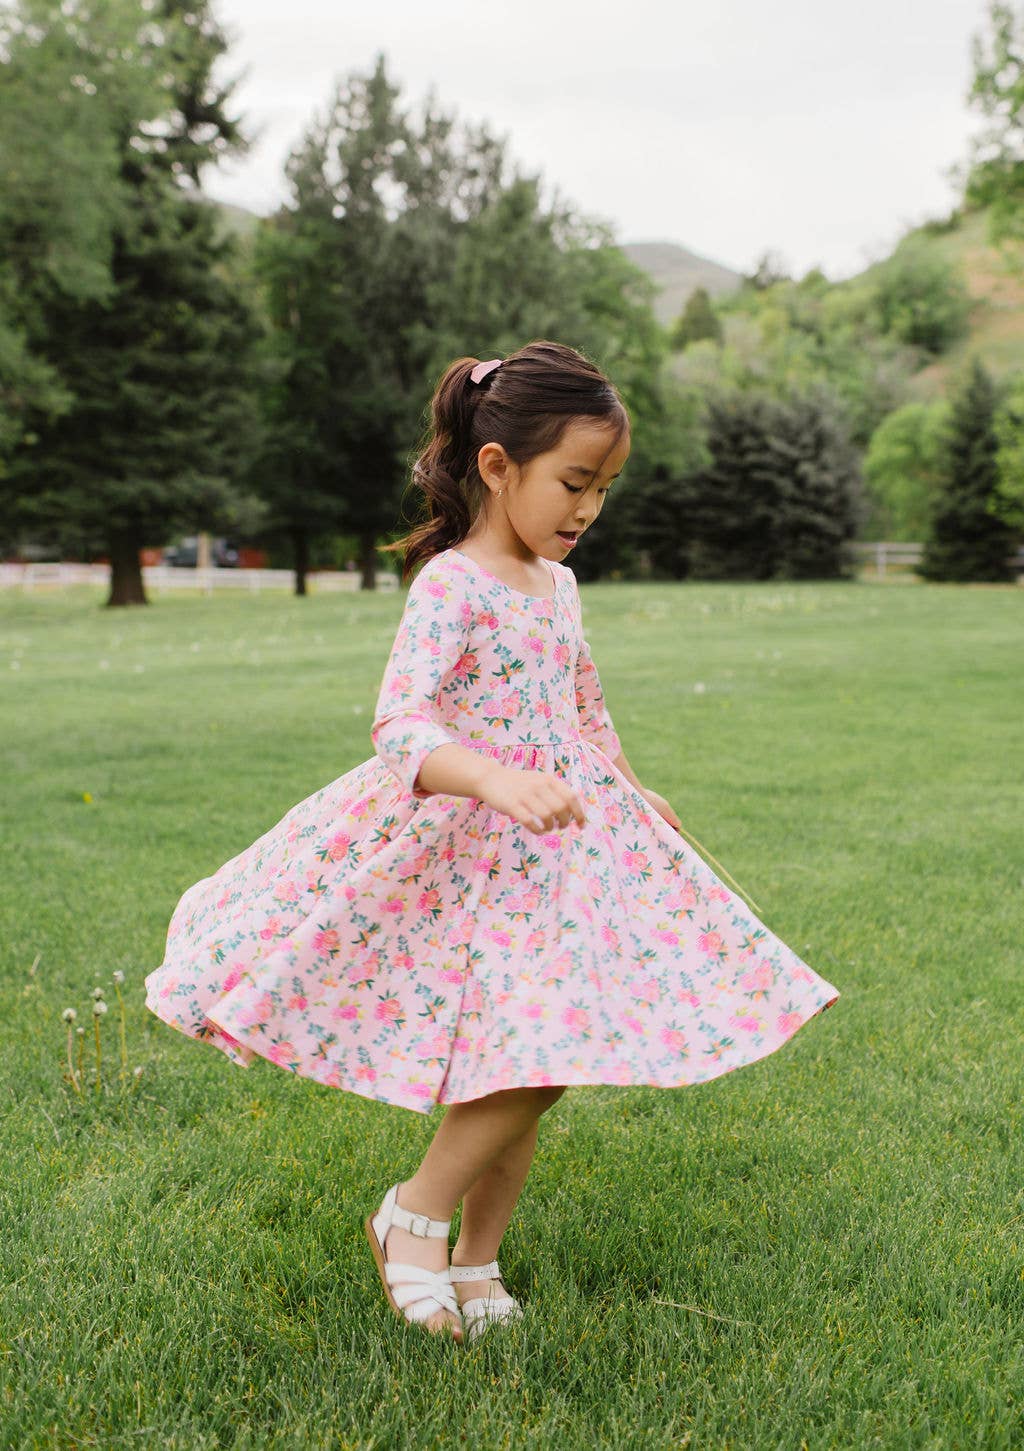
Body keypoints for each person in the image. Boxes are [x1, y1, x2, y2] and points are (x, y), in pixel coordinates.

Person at [144, 339, 840, 1347]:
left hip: (556, 853)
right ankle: (413, 1217)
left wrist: (635, 789)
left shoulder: (557, 586)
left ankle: (475, 1256)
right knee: (522, 1056)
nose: (586, 510)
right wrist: (493, 776)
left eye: (602, 488)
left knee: (536, 1051)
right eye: (572, 482)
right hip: (464, 849)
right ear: (497, 465)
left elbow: (583, 704)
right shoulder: (453, 586)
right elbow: (401, 727)